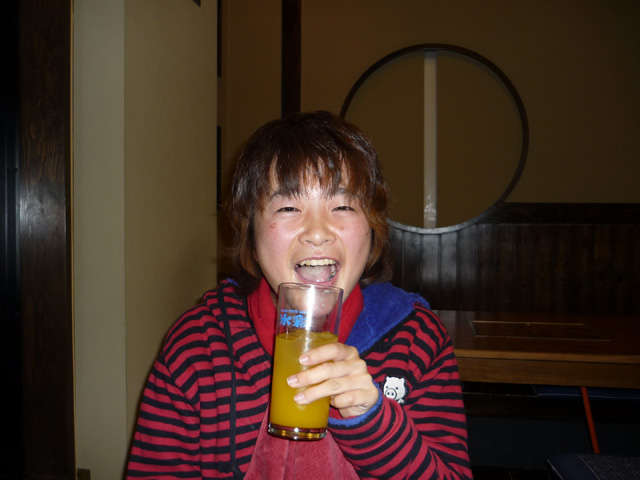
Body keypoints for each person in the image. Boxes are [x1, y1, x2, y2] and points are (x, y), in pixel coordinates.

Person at [126, 111, 473, 479]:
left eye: (343, 206)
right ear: (251, 230)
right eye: (289, 208)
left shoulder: (417, 339)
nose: (317, 232)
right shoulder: (197, 346)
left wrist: (373, 422)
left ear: (373, 226)